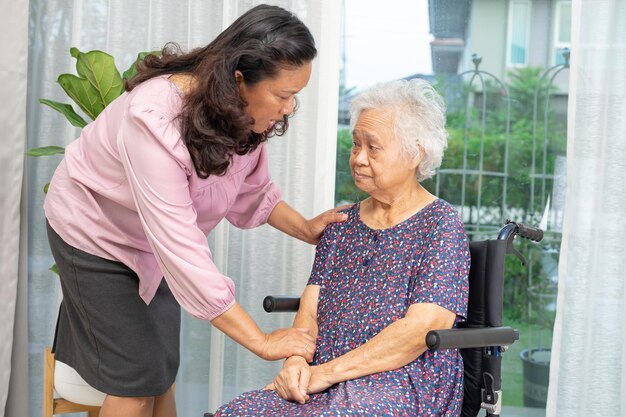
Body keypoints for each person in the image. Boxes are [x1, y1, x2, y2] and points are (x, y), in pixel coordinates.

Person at [43, 4, 347, 417]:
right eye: (284, 95)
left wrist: (306, 228)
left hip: (152, 242)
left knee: (159, 371)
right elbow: (183, 251)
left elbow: (252, 190)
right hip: (93, 231)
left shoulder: (238, 114)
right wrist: (261, 341)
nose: (289, 108)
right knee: (135, 381)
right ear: (240, 80)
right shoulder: (153, 120)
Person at [214, 78, 471, 417]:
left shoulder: (439, 224)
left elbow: (419, 330)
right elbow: (309, 313)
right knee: (236, 412)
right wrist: (294, 364)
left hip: (404, 380)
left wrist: (323, 374)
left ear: (415, 153)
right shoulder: (342, 222)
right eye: (355, 145)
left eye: (373, 147)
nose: (359, 158)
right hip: (324, 376)